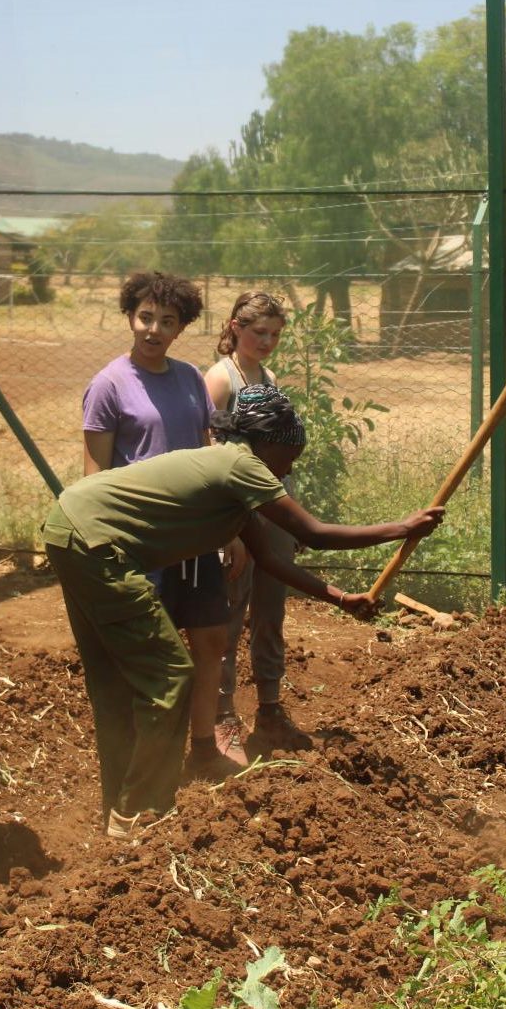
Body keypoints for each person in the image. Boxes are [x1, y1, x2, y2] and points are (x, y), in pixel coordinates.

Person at [45, 383, 443, 838]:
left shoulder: (229, 473)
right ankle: (140, 810)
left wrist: (339, 597)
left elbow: (271, 560)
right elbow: (312, 533)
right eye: (290, 458)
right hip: (97, 545)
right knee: (173, 674)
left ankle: (120, 810)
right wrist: (402, 527)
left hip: (70, 529)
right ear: (270, 443)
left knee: (119, 681)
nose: (289, 470)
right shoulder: (242, 464)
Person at [82, 270, 240, 783]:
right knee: (157, 654)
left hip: (194, 538)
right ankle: (151, 766)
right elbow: (93, 477)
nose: (153, 329)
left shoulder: (191, 378)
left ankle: (202, 748)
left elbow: (208, 452)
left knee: (211, 639)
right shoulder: (109, 385)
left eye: (166, 321)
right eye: (145, 317)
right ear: (130, 316)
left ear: (180, 328)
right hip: (143, 541)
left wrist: (228, 527)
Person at [205, 291, 306, 760]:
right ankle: (221, 715)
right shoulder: (219, 379)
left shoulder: (270, 377)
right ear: (235, 327)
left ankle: (269, 706)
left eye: (275, 334)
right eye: (258, 332)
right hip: (235, 517)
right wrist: (230, 532)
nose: (266, 341)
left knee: (271, 609)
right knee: (229, 612)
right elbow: (212, 458)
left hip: (270, 507)